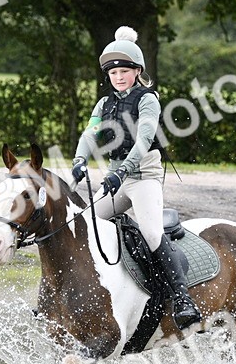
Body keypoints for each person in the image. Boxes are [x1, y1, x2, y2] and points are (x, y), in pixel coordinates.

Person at [71, 26, 202, 331]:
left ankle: (183, 300)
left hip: (143, 178)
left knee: (153, 235)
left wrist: (121, 172)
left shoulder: (148, 100)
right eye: (114, 71)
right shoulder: (104, 104)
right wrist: (79, 160)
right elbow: (90, 134)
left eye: (125, 71)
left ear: (137, 71)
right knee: (83, 223)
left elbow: (143, 140)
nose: (118, 76)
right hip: (116, 178)